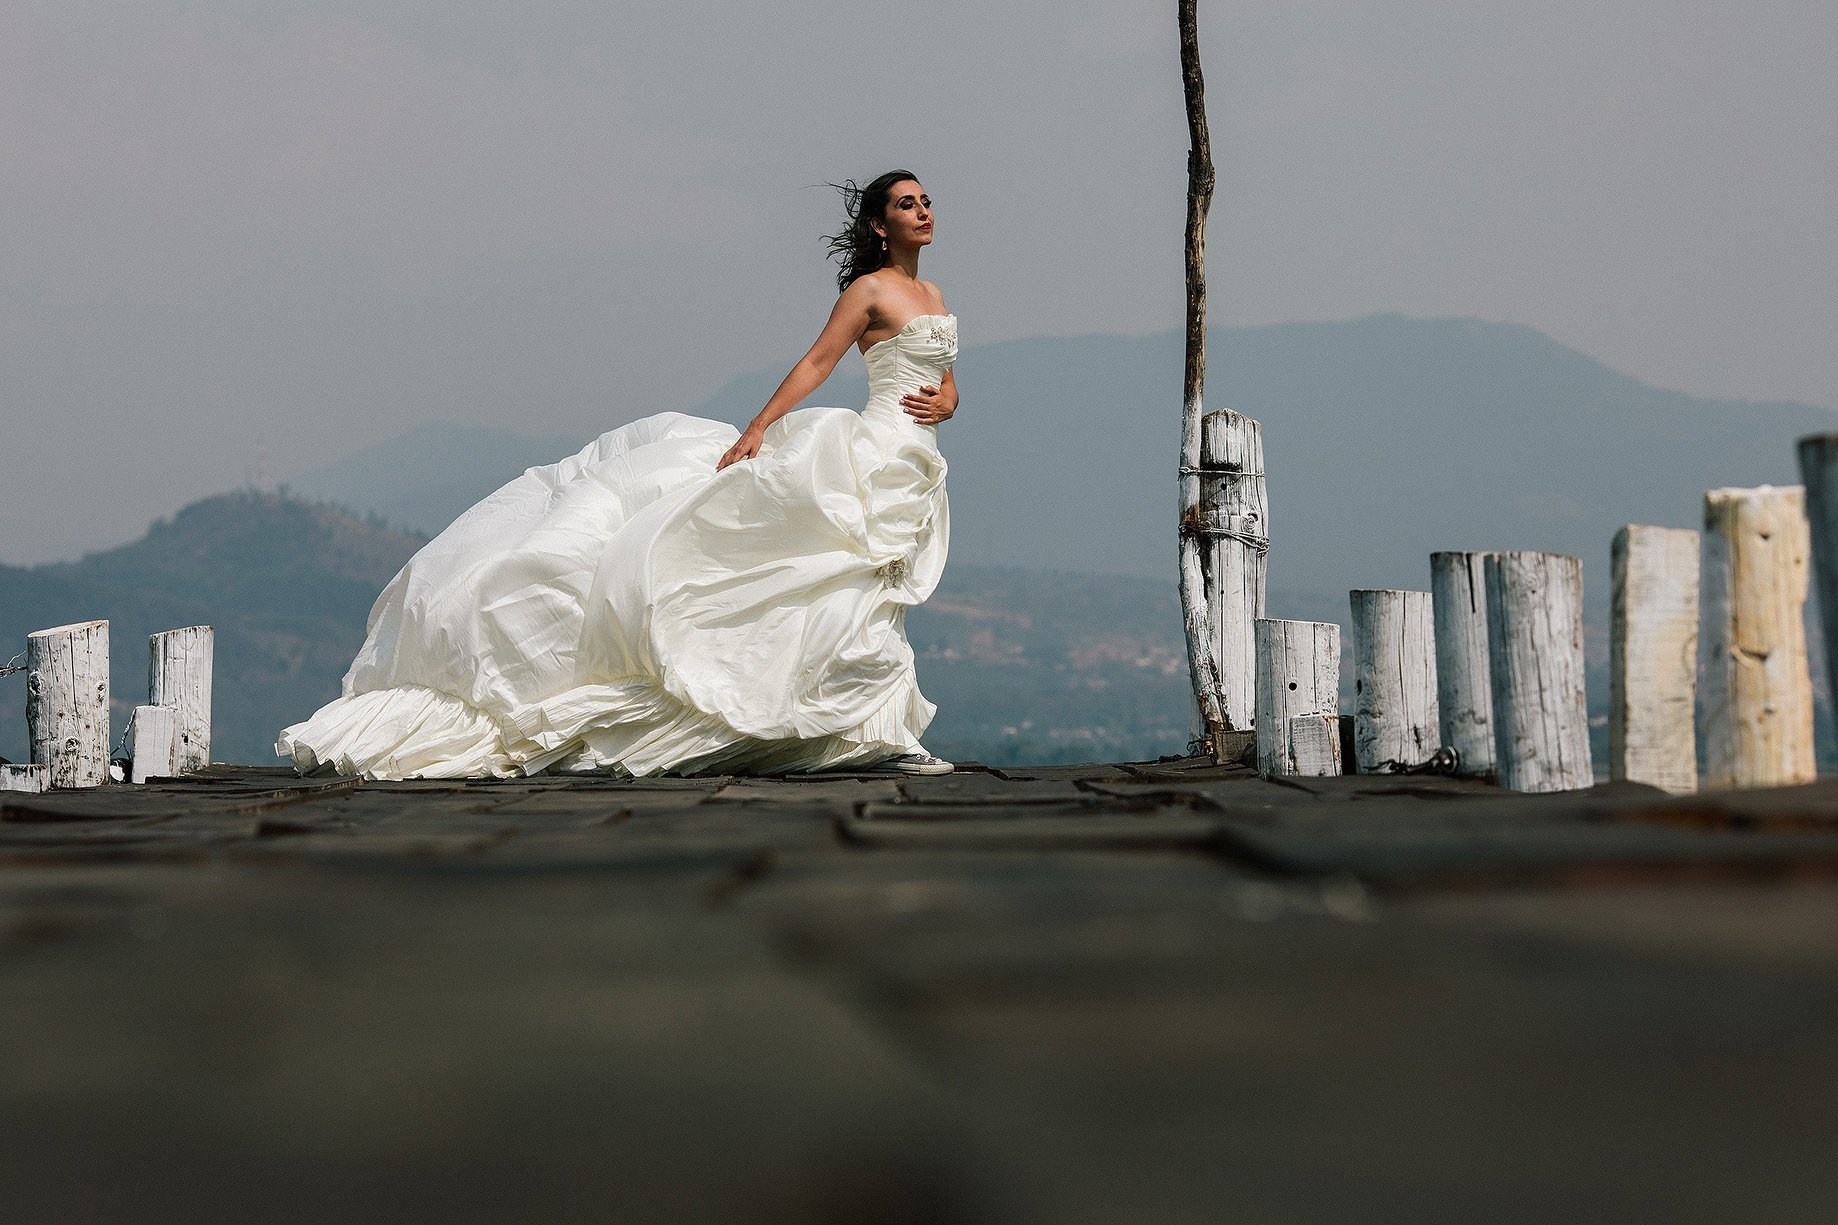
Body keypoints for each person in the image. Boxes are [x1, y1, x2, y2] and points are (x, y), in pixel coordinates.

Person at [277, 170, 958, 780]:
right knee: (857, 576)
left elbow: (947, 385)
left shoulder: (931, 292)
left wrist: (947, 402)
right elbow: (817, 363)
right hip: (868, 448)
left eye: (926, 201)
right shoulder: (869, 291)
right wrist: (756, 429)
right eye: (907, 203)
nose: (923, 210)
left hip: (915, 456)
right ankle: (878, 728)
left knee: (881, 584)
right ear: (879, 224)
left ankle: (873, 724)